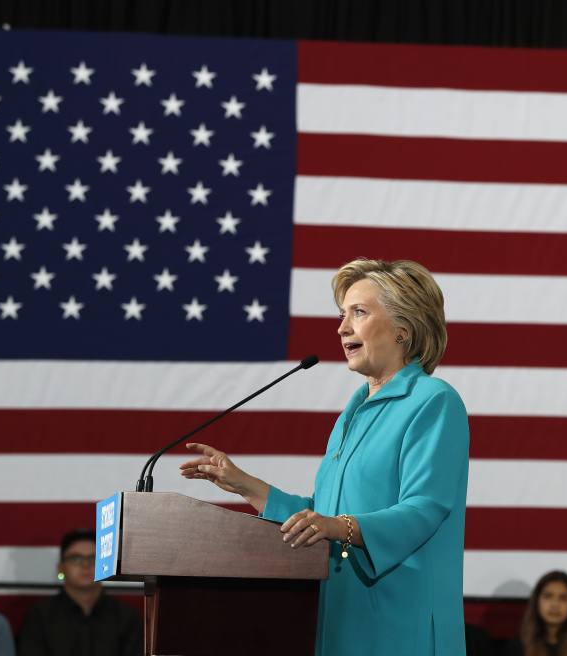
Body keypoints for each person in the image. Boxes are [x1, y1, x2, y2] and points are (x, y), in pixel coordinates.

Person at [179, 258, 471, 655]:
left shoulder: (433, 401)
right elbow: (325, 514)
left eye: (359, 312)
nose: (342, 327)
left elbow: (424, 508)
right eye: (342, 314)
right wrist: (245, 484)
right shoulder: (352, 412)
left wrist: (340, 527)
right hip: (339, 617)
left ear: (404, 328)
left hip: (400, 624)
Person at [18, 527, 143, 656]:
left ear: (105, 565)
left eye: (94, 558)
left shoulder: (128, 618)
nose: (85, 565)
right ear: (61, 568)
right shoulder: (38, 616)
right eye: (76, 558)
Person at [504, 571, 567, 656]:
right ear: (537, 602)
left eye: (563, 598)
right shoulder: (517, 647)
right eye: (548, 596)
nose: (555, 604)